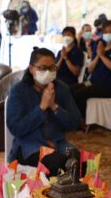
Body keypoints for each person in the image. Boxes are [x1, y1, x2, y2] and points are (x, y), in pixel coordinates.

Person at [6, 48, 81, 176]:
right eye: (42, 68)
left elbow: (75, 122)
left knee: (77, 160)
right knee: (57, 162)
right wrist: (41, 107)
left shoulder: (61, 88)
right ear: (31, 68)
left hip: (58, 142)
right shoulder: (18, 91)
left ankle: (69, 189)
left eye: (52, 68)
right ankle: (49, 189)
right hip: (30, 145)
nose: (47, 72)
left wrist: (54, 107)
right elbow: (16, 128)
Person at [71, 19, 111, 118]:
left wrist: (102, 56)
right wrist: (98, 55)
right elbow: (90, 70)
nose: (107, 34)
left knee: (80, 94)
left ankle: (83, 120)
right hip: (93, 82)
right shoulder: (100, 45)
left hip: (108, 86)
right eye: (105, 32)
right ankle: (75, 117)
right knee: (71, 90)